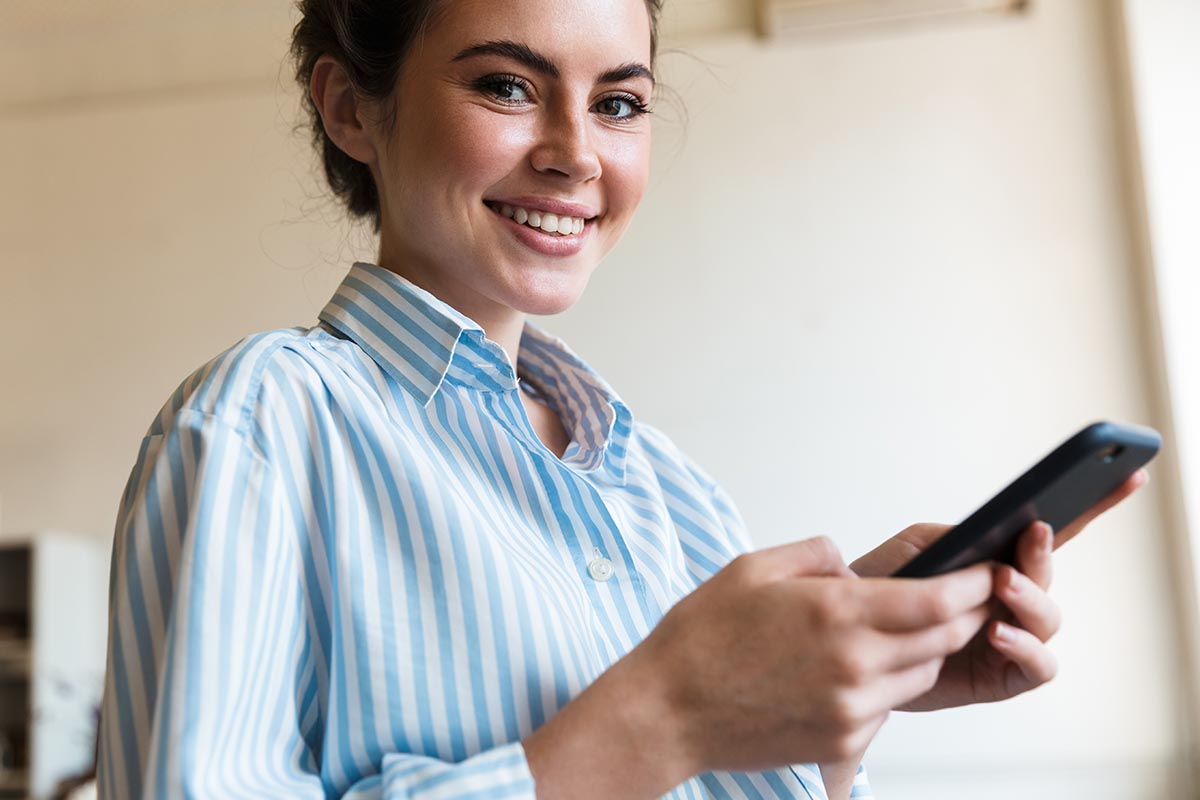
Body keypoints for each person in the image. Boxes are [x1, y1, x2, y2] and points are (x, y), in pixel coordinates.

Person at [95, 0, 1148, 798]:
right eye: (507, 86)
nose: (576, 152)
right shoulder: (261, 425)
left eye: (620, 102)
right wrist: (665, 713)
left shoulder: (673, 491)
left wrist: (843, 682)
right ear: (349, 108)